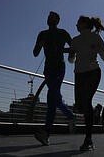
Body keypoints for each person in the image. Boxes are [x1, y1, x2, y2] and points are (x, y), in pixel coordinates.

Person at [33, 11, 75, 146]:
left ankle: (46, 132)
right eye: (48, 17)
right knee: (54, 98)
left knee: (51, 98)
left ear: (57, 21)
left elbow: (74, 47)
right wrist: (40, 44)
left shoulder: (63, 33)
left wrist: (62, 51)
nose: (49, 19)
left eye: (52, 18)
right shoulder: (42, 34)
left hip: (59, 68)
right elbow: (35, 53)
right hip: (48, 70)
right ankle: (70, 116)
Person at [69, 15, 104, 151]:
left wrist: (98, 49)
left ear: (84, 24)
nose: (75, 25)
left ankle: (88, 139)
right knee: (80, 107)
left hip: (93, 72)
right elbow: (71, 60)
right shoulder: (74, 40)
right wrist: (72, 53)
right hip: (79, 75)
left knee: (86, 101)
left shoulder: (96, 37)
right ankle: (96, 111)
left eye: (78, 23)